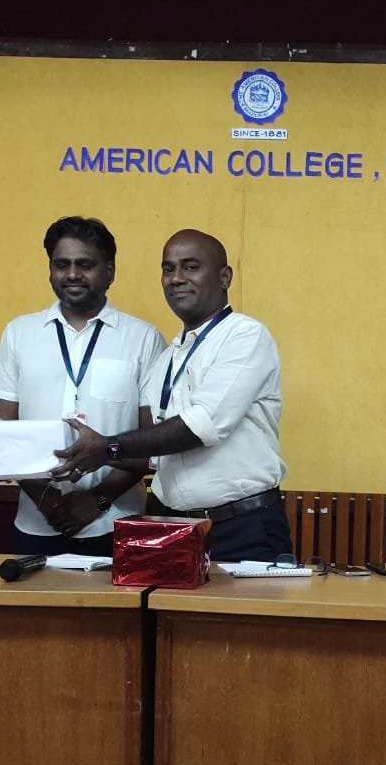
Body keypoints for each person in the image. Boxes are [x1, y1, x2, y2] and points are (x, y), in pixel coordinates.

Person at [52, 229, 290, 562]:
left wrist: (106, 447)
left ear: (224, 277)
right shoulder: (168, 356)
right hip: (175, 526)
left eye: (191, 267)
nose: (176, 278)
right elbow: (154, 453)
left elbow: (200, 426)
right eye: (168, 269)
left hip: (243, 527)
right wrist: (84, 456)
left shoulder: (245, 336)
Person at [0, 216, 165, 557]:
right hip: (37, 520)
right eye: (61, 264)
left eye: (85, 265)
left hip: (116, 520)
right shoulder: (19, 334)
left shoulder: (143, 339)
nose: (72, 274)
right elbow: (3, 432)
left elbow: (152, 442)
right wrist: (46, 499)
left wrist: (97, 500)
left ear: (109, 271)